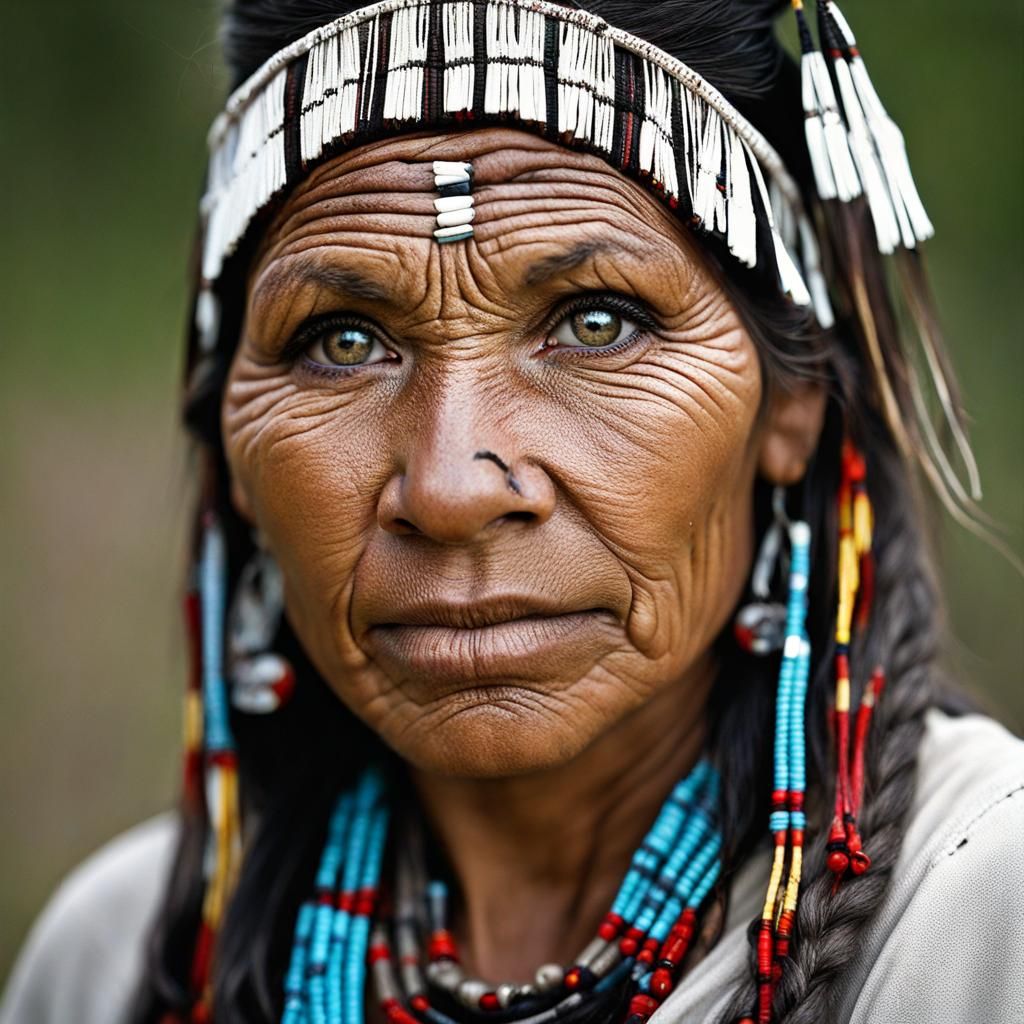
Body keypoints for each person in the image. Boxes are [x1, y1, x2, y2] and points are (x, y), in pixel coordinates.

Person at [2, 2, 1022, 1023]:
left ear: (791, 402)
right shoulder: (112, 965)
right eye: (343, 340)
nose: (452, 488)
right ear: (228, 445)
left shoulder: (980, 926)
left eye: (596, 320)